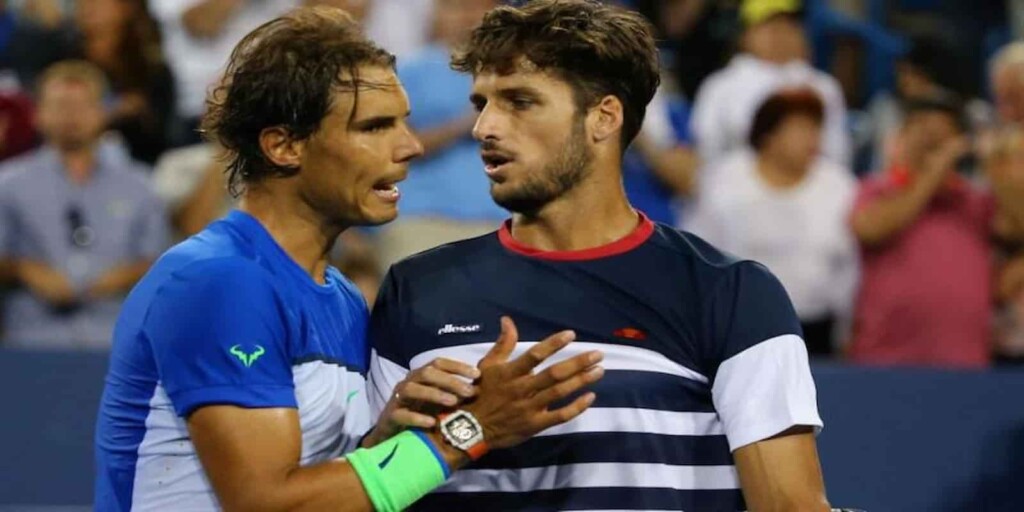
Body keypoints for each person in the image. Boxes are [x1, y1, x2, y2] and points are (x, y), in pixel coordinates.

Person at [93, 7, 604, 511]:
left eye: (404, 123)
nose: (409, 147)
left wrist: (391, 435)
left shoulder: (340, 298)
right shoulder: (221, 281)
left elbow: (327, 484)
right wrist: (470, 431)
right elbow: (267, 504)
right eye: (375, 127)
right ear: (284, 146)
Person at [367, 1, 830, 511]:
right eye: (482, 104)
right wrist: (407, 438)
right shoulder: (416, 288)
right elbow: (366, 494)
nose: (485, 128)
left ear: (604, 117)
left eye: (519, 102)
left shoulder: (731, 292)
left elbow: (789, 505)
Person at [0, 60, 167, 349]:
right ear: (38, 114)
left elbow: (160, 264)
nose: (71, 116)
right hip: (31, 341)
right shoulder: (8, 184)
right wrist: (26, 270)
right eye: (61, 106)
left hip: (117, 341)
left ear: (103, 112)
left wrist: (119, 277)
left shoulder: (140, 185)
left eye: (82, 106)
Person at [688, 88, 858, 356]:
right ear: (769, 134)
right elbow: (699, 252)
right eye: (801, 129)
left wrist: (848, 328)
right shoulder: (726, 178)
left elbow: (848, 265)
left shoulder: (838, 185)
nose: (813, 138)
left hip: (814, 328)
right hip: (739, 324)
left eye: (816, 129)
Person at [848, 94, 1001, 368]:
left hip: (966, 367)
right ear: (901, 137)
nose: (930, 142)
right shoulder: (876, 189)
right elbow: (870, 229)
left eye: (942, 137)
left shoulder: (975, 201)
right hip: (885, 363)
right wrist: (933, 172)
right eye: (920, 130)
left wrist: (997, 163)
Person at [691, 0, 850, 168]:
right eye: (769, 25)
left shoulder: (824, 86)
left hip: (810, 187)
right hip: (737, 186)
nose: (780, 33)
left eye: (789, 25)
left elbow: (838, 156)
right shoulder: (719, 86)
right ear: (745, 35)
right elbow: (705, 155)